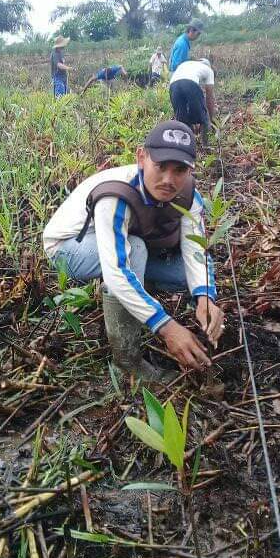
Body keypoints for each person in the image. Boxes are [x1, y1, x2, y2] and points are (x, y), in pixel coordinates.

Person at [43, 120, 224, 381]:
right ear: (142, 157)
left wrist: (205, 298)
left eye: (180, 170)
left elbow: (196, 250)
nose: (168, 180)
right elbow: (116, 271)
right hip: (68, 249)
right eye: (160, 166)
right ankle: (127, 363)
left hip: (121, 242)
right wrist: (166, 327)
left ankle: (138, 293)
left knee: (183, 275)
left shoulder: (188, 195)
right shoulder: (116, 195)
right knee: (134, 252)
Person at [169, 58, 216, 146]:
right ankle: (205, 146)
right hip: (190, 83)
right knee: (204, 119)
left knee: (182, 120)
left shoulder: (187, 64)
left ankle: (184, 146)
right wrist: (210, 119)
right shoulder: (209, 70)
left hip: (173, 85)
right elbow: (209, 97)